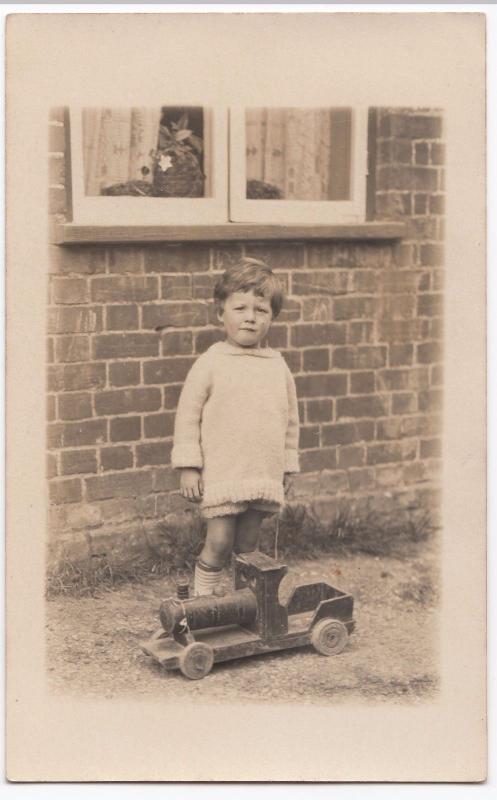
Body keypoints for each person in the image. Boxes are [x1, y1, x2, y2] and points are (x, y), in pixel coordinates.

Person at [171, 258, 300, 596]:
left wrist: (287, 466)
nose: (250, 317)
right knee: (220, 540)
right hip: (224, 472)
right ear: (221, 313)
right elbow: (188, 416)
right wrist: (189, 467)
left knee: (248, 546)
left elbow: (289, 421)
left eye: (261, 310)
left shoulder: (277, 366)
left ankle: (247, 607)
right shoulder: (211, 363)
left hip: (261, 470)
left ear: (272, 317)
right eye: (240, 307)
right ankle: (203, 604)